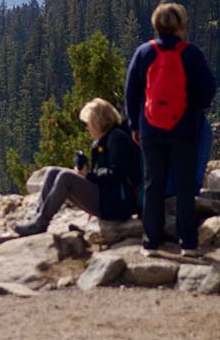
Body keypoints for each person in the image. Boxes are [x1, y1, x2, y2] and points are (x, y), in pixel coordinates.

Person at [124, 2, 216, 256]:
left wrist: (134, 125)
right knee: (184, 186)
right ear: (181, 25)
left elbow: (131, 92)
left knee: (153, 183)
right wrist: (195, 108)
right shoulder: (191, 54)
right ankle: (188, 243)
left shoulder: (144, 52)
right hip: (184, 128)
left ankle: (151, 242)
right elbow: (208, 90)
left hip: (151, 128)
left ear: (156, 24)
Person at [14, 98, 141, 236]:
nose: (86, 127)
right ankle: (38, 218)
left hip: (117, 203)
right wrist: (85, 172)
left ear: (97, 121)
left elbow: (117, 174)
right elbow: (104, 173)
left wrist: (88, 175)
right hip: (107, 196)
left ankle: (41, 223)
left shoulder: (117, 139)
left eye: (87, 123)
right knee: (52, 172)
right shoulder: (102, 140)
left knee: (66, 177)